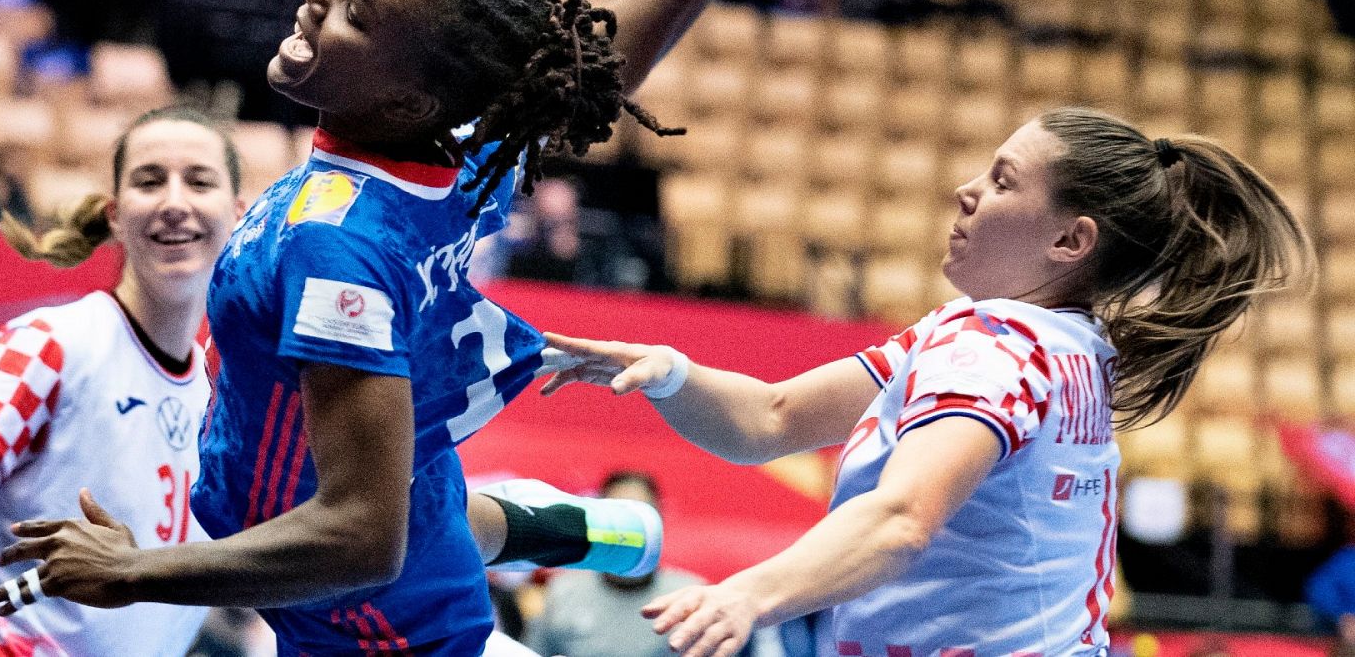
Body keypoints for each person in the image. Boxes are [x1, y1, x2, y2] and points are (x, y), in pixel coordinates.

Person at [0, 0, 911, 656]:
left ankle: (566, 527)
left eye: (357, 11)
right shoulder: (446, 160)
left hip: (381, 619)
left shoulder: (338, 250)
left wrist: (136, 572)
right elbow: (589, 73)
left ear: (410, 98)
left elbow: (363, 537)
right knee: (442, 518)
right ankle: (574, 524)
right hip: (412, 498)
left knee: (430, 539)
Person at [0, 107, 666, 657]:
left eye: (199, 180)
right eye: (148, 181)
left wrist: (580, 532)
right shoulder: (51, 343)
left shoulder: (242, 396)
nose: (174, 200)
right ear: (115, 213)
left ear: (241, 218)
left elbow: (360, 528)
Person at [540, 107, 1311, 656]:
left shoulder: (997, 348)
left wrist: (748, 593)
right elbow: (773, 419)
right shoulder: (1046, 343)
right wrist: (670, 374)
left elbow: (904, 519)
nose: (966, 190)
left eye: (1004, 182)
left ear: (1070, 241)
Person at [523, 471, 704, 657]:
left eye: (641, 516)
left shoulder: (692, 596)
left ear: (660, 520)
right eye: (619, 516)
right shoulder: (562, 592)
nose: (628, 530)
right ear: (597, 520)